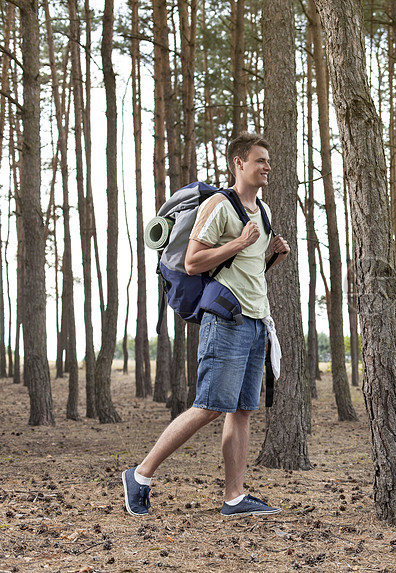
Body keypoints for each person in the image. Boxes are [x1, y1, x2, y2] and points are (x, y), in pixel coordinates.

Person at [122, 132, 290, 517]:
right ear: (239, 164)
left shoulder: (261, 212)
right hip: (225, 321)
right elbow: (194, 262)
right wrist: (240, 241)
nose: (267, 166)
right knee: (209, 406)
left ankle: (234, 497)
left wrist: (272, 256)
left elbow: (248, 270)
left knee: (242, 410)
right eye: (259, 160)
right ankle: (140, 475)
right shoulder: (220, 204)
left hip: (255, 321)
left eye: (268, 160)